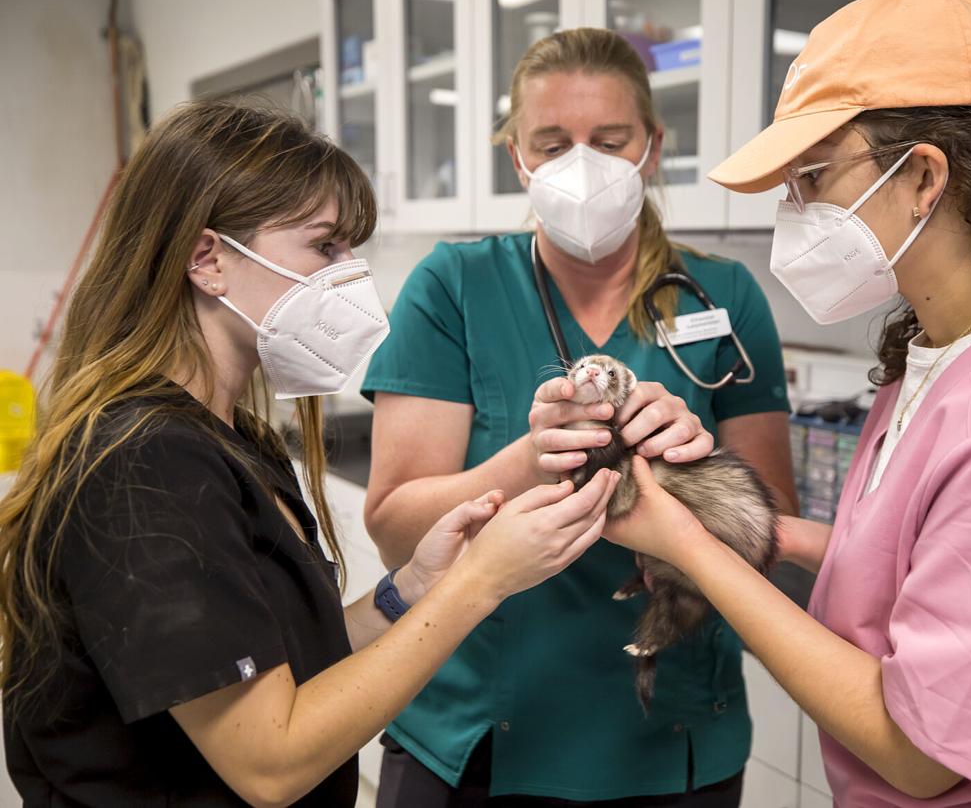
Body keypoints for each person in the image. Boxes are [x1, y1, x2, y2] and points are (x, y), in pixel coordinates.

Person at [605, 0, 971, 806]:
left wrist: (691, 549)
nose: (794, 213)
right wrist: (744, 525)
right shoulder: (938, 353)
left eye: (811, 177)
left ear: (923, 175)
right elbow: (908, 565)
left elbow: (923, 755)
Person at [0, 100, 620, 808]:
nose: (351, 275)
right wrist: (481, 582)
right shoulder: (143, 465)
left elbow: (272, 666)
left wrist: (410, 590)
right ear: (208, 260)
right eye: (326, 247)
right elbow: (270, 763)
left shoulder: (231, 438)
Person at [362, 28, 797, 806]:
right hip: (478, 738)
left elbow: (775, 535)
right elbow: (397, 530)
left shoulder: (723, 296)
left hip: (671, 740)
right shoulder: (453, 286)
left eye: (610, 139)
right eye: (553, 142)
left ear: (653, 149)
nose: (582, 165)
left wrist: (691, 471)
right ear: (518, 158)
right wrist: (531, 459)